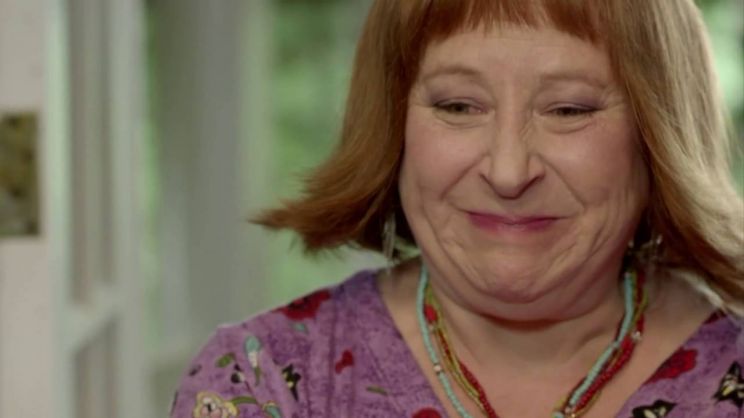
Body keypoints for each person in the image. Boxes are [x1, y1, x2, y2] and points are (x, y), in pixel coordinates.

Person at [170, 1, 744, 417]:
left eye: (569, 109)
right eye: (457, 106)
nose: (508, 171)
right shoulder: (262, 379)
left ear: (657, 138)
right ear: (393, 129)